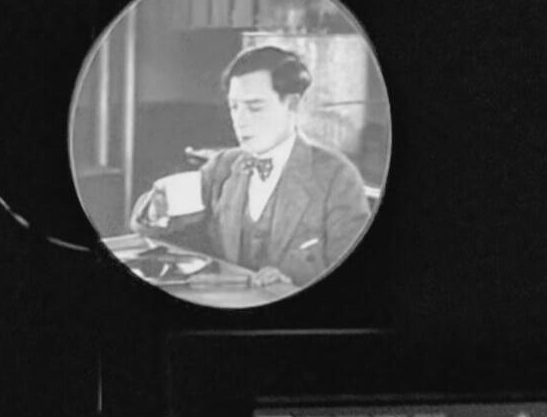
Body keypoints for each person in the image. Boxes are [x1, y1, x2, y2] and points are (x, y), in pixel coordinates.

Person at [128, 45, 372, 292]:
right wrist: (158, 211)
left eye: (255, 107)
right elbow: (168, 240)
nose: (241, 120)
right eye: (234, 107)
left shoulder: (337, 177)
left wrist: (294, 287)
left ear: (292, 104)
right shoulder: (222, 166)